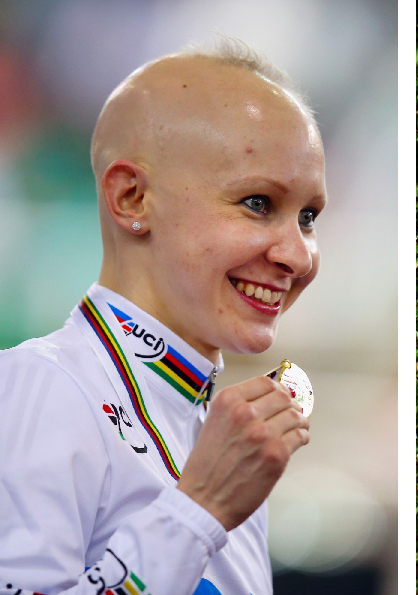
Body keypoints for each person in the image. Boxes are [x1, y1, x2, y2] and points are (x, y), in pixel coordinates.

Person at [0, 39, 326, 595]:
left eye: (309, 216)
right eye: (257, 203)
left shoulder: (216, 437)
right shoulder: (40, 385)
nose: (297, 255)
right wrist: (199, 508)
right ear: (132, 199)